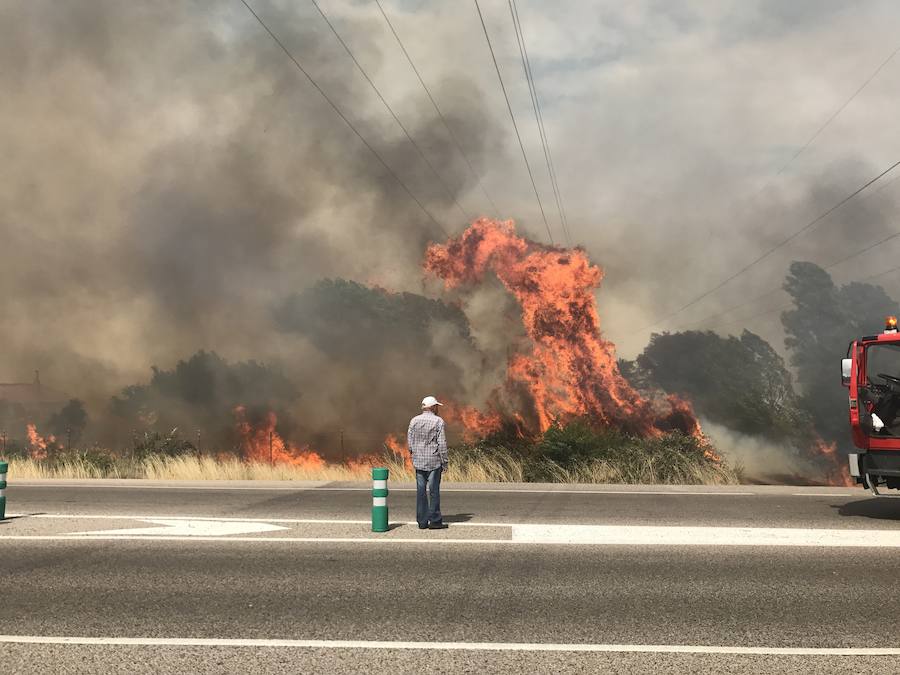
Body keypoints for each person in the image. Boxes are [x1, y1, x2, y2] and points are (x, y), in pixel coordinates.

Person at [407, 395, 449, 529]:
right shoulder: (438, 421)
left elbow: (410, 442)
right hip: (434, 462)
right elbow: (442, 443)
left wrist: (414, 454)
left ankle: (422, 522)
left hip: (419, 462)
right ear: (433, 407)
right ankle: (435, 521)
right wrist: (445, 462)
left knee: (420, 491)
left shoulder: (414, 421)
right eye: (437, 406)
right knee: (433, 491)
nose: (438, 408)